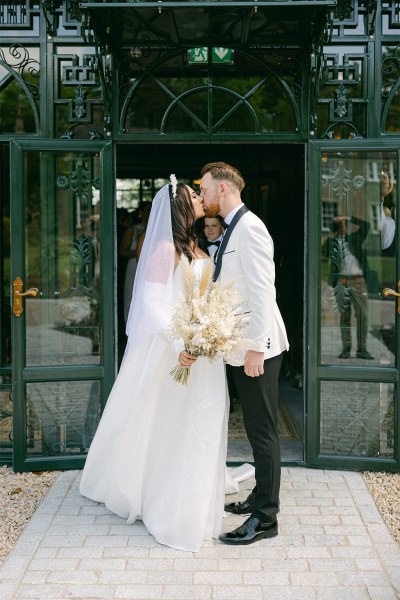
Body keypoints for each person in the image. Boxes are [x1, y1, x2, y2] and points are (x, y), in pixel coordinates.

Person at [80, 179, 229, 552]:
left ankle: (193, 486)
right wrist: (182, 341)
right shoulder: (164, 248)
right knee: (166, 421)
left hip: (200, 347)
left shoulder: (194, 245)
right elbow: (151, 303)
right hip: (173, 349)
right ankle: (155, 486)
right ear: (180, 205)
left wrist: (209, 329)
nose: (200, 198)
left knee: (199, 420)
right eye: (194, 196)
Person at [200, 162, 289, 545]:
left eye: (203, 189)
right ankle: (259, 497)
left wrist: (256, 348)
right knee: (255, 428)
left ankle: (266, 519)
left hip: (259, 348)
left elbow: (264, 292)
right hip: (243, 347)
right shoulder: (235, 224)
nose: (201, 197)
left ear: (222, 189)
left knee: (262, 430)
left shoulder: (250, 228)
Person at [325, 215, 373, 360]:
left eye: (345, 224)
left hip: (358, 281)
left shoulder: (355, 239)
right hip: (342, 282)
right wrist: (335, 223)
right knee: (344, 317)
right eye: (343, 224)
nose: (345, 226)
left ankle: (362, 349)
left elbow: (366, 226)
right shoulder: (332, 242)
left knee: (362, 316)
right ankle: (346, 349)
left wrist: (349, 217)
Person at [119, 202, 151, 323]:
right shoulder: (132, 230)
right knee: (132, 297)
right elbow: (122, 252)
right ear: (140, 213)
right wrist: (141, 253)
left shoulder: (156, 229)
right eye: (147, 210)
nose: (149, 213)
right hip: (134, 267)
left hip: (151, 269)